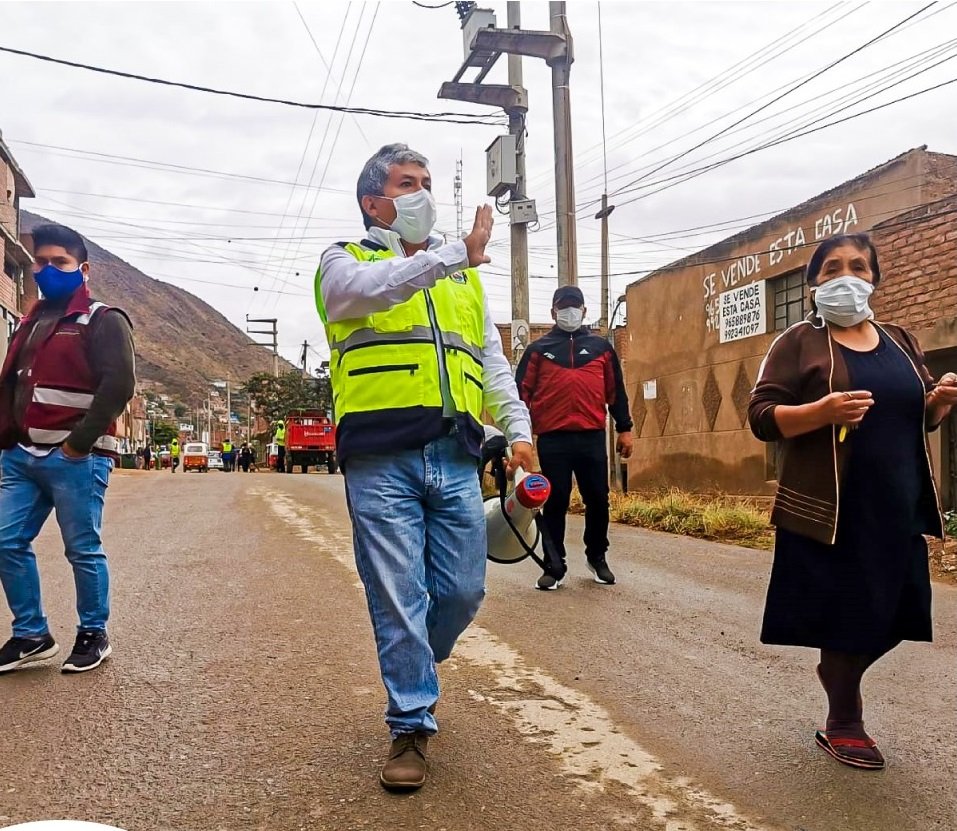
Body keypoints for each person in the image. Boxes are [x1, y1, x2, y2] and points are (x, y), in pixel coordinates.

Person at [315, 143, 532, 792]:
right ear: (372, 202)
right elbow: (366, 292)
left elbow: (490, 359)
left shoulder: (462, 277)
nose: (422, 194)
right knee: (398, 593)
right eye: (407, 183)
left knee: (463, 591)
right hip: (379, 455)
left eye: (426, 182)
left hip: (455, 453)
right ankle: (410, 721)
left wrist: (518, 430)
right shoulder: (345, 261)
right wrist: (452, 255)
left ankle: (415, 659)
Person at [748, 233, 957, 771]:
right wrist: (822, 412)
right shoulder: (798, 342)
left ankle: (838, 671)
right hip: (832, 508)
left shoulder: (900, 340)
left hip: (898, 502)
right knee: (846, 614)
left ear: (875, 279)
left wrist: (937, 403)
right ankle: (845, 719)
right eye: (833, 267)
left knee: (899, 611)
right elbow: (762, 417)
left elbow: (918, 415)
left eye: (859, 266)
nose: (847, 276)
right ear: (814, 283)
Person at [0, 223, 135, 674]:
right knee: (5, 540)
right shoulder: (29, 322)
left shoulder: (103, 319)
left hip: (76, 457)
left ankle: (93, 633)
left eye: (60, 262)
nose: (48, 270)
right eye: (41, 262)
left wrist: (77, 446)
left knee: (82, 548)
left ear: (83, 268)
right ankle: (31, 634)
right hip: (22, 456)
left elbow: (119, 385)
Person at [515, 286, 633, 591]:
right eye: (563, 307)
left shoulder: (601, 349)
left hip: (591, 437)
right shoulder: (537, 351)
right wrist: (517, 437)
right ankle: (554, 565)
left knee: (598, 500)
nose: (569, 312)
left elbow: (615, 392)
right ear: (553, 312)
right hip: (553, 439)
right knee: (555, 502)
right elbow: (519, 396)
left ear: (583, 311)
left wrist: (625, 428)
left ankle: (597, 556)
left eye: (574, 307)